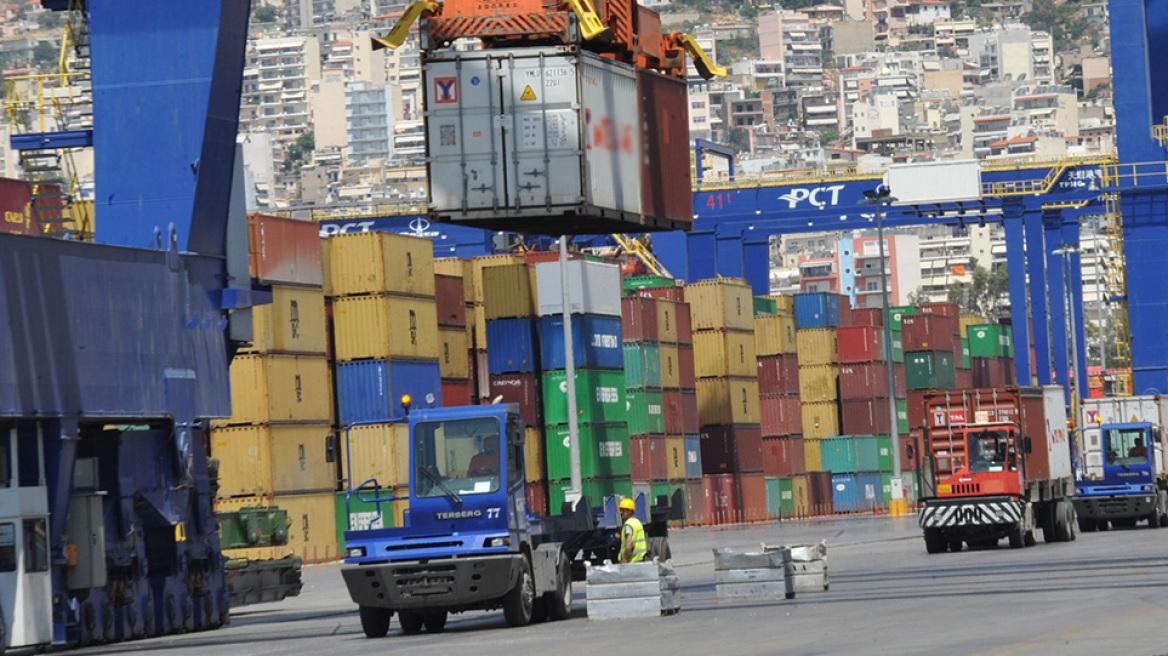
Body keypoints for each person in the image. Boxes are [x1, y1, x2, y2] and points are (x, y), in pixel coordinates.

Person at [617, 498, 647, 564]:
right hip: (641, 558)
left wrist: (625, 559)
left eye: (623, 510)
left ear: (630, 511)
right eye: (620, 510)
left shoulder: (628, 524)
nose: (621, 512)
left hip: (632, 561)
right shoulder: (637, 522)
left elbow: (629, 543)